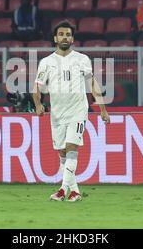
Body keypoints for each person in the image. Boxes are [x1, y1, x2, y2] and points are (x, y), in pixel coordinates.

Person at [32, 20, 110, 202]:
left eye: (68, 34)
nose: (64, 37)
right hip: (57, 114)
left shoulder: (82, 59)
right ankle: (75, 191)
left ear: (72, 38)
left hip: (78, 111)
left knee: (71, 148)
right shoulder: (46, 62)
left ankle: (61, 190)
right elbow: (37, 86)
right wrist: (38, 104)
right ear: (55, 38)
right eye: (61, 34)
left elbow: (92, 84)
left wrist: (103, 109)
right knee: (62, 153)